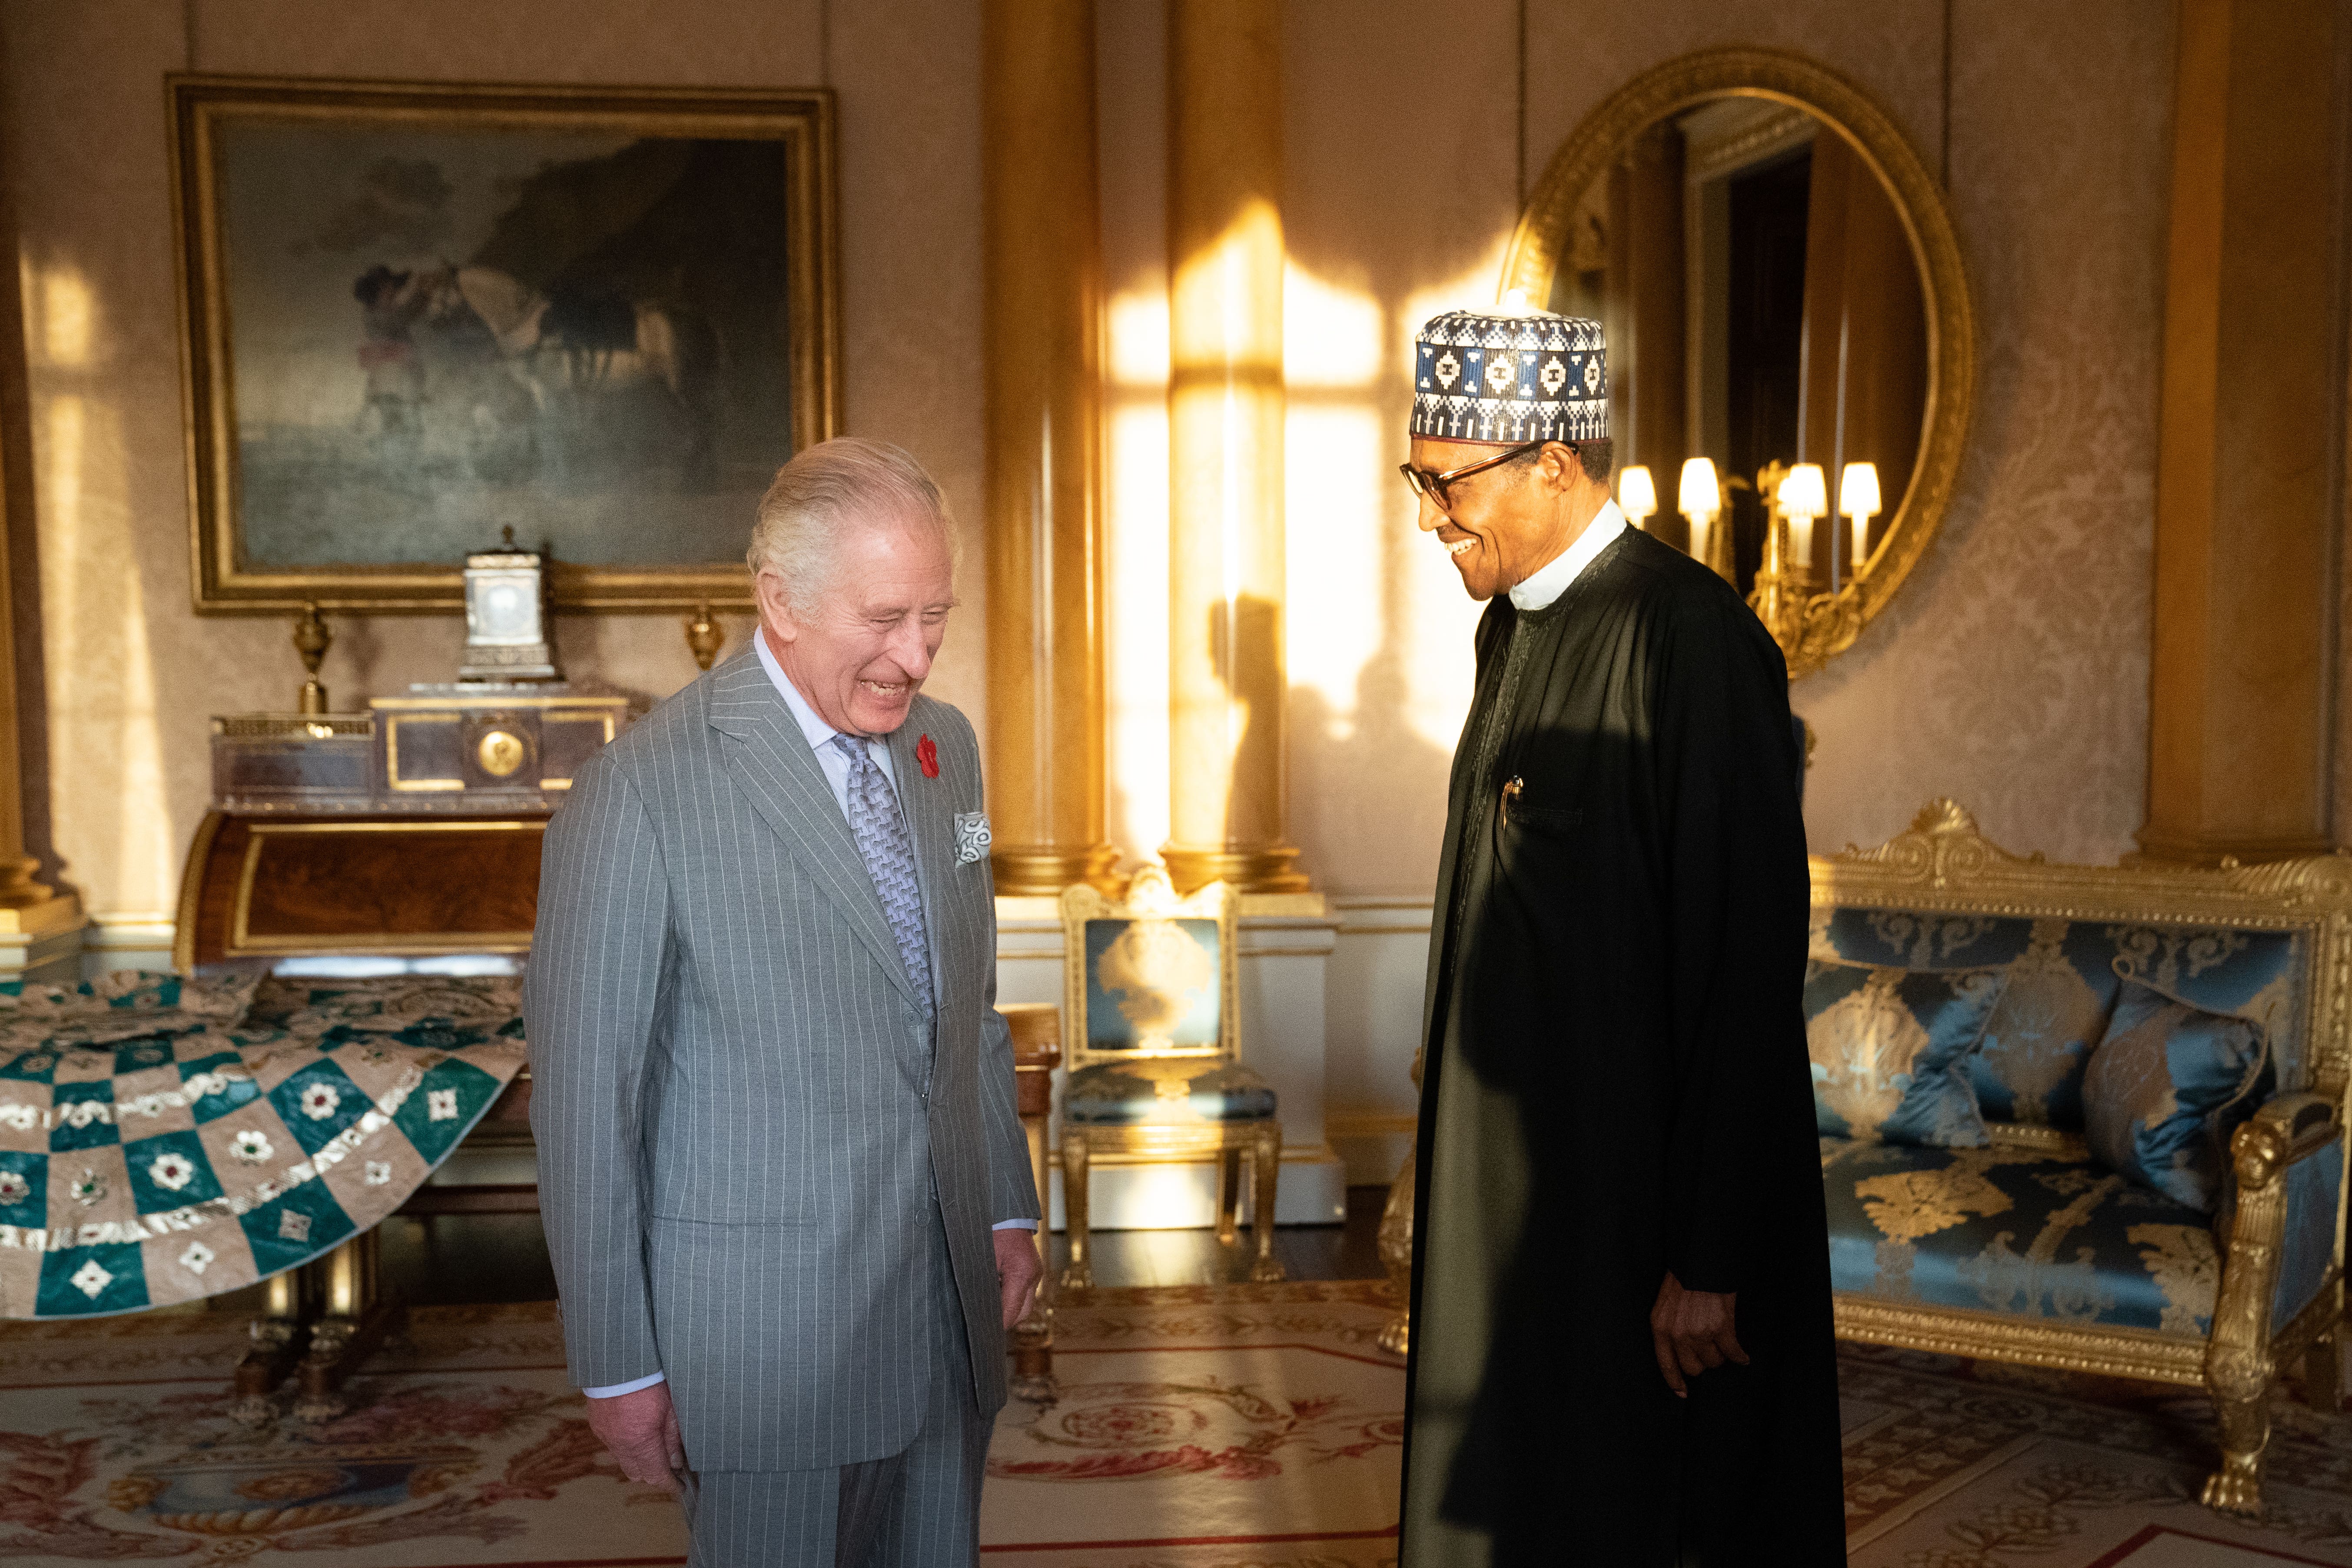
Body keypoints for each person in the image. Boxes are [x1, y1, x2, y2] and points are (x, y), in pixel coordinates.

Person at [526, 437, 1043, 1568]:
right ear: (782, 601)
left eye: (937, 615)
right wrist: (616, 1360)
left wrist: (1004, 1201)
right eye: (886, 615)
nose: (915, 655)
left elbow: (971, 1005)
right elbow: (582, 1104)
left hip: (949, 1312)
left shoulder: (946, 750)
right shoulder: (641, 791)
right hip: (771, 1346)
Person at [1395, 309, 1845, 1565]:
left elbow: (1743, 966)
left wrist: (1707, 1253)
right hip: (1522, 1212)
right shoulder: (1512, 627)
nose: (1428, 515)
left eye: (1446, 482)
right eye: (1415, 479)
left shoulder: (1691, 641)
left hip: (1639, 1227)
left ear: (1555, 461)